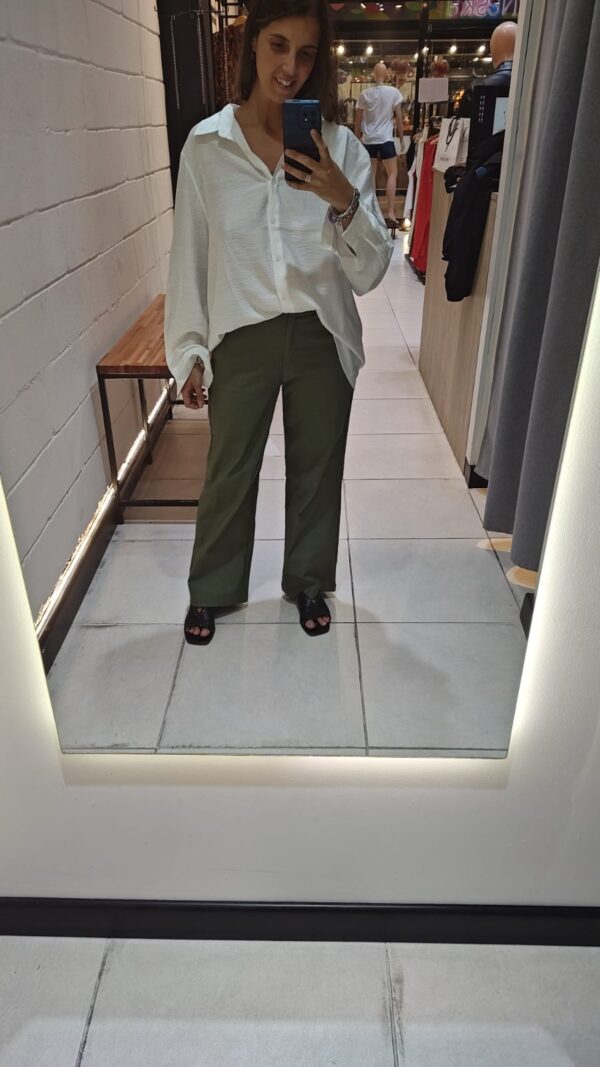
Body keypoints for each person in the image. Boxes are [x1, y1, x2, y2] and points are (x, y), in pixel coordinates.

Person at [165, 0, 393, 646]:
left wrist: (342, 199)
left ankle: (309, 580)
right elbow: (190, 256)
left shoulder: (340, 147)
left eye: (306, 52)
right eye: (278, 45)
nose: (291, 67)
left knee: (318, 465)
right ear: (252, 45)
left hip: (322, 330)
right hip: (241, 332)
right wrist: (189, 350)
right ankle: (212, 587)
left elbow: (370, 273)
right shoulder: (207, 146)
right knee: (228, 469)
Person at [354, 62, 404, 226]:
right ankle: (391, 212)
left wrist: (357, 138)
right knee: (392, 173)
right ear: (386, 74)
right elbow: (399, 117)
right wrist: (401, 138)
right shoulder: (394, 92)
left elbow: (357, 120)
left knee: (371, 176)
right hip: (385, 139)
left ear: (374, 75)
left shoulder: (364, 94)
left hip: (368, 140)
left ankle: (374, 212)